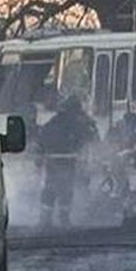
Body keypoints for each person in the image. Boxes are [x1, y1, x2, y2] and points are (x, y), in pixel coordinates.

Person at [37, 94, 97, 228]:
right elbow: (89, 137)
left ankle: (46, 219)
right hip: (67, 162)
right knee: (65, 190)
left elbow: (41, 140)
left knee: (50, 189)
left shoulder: (52, 122)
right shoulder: (77, 123)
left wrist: (40, 158)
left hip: (53, 162)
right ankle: (63, 219)